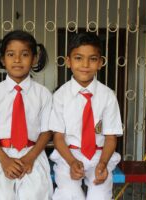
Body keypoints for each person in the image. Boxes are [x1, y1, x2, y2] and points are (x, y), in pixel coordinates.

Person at [49, 32, 123, 200]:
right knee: (69, 194)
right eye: (78, 58)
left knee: (100, 195)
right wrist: (71, 162)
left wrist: (103, 164)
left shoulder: (108, 96)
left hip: (99, 155)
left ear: (100, 63)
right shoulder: (60, 96)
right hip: (69, 154)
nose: (85, 64)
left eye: (92, 59)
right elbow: (58, 137)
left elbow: (111, 138)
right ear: (68, 61)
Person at [0, 30, 53, 200]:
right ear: (2, 59)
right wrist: (5, 160)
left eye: (24, 54)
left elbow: (46, 132)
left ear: (34, 59)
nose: (17, 60)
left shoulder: (43, 94)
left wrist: (29, 158)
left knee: (34, 194)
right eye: (11, 54)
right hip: (1, 154)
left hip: (32, 152)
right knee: (1, 195)